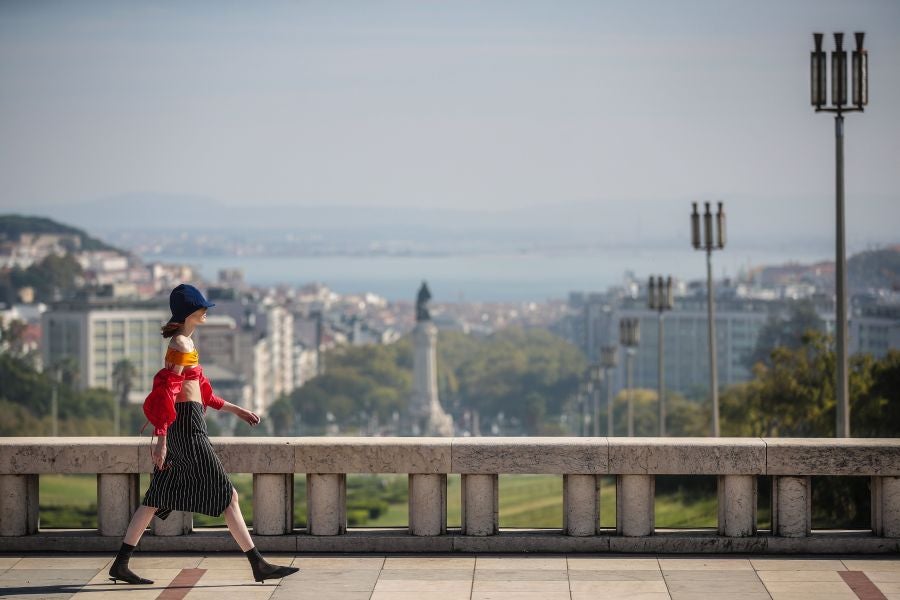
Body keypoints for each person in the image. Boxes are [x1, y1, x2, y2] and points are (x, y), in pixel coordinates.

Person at [108, 284, 298, 585]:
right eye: (202, 307)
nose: (206, 311)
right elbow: (167, 393)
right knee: (228, 494)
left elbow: (201, 392)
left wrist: (238, 410)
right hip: (185, 426)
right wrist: (161, 439)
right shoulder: (181, 345)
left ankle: (120, 564)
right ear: (190, 312)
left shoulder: (185, 343)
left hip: (186, 422)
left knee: (155, 498)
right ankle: (258, 564)